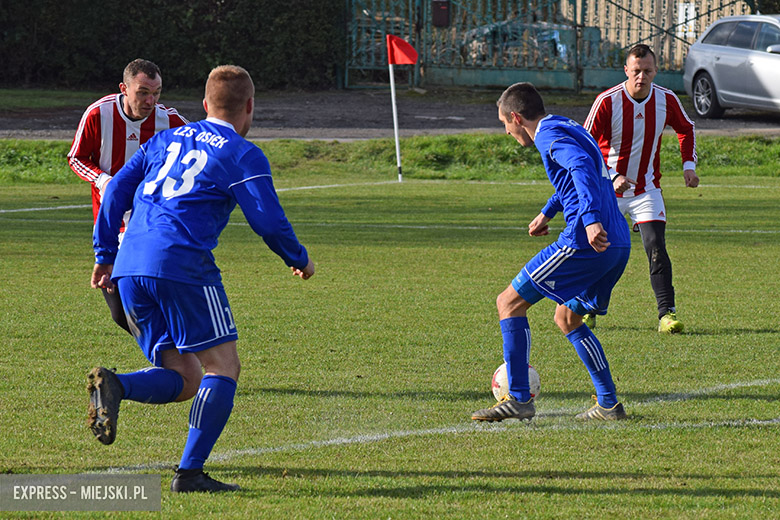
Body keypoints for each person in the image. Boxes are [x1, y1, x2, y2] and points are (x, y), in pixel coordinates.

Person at [87, 65, 315, 492]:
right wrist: (298, 257)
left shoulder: (165, 138)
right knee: (222, 367)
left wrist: (104, 254)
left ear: (205, 105)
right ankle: (189, 474)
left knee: (186, 376)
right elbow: (267, 222)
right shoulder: (241, 152)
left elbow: (116, 189)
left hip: (129, 266)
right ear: (249, 108)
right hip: (183, 266)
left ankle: (116, 385)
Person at [471, 82, 631, 423]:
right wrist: (547, 211)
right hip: (617, 242)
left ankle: (517, 398)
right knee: (567, 317)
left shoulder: (546, 136)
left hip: (585, 242)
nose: (507, 131)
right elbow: (577, 176)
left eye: (505, 124)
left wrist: (588, 220)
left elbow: (579, 168)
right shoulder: (567, 125)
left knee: (509, 302)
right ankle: (608, 404)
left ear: (516, 117)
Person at [584, 44, 698, 333]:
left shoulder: (666, 100)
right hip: (607, 192)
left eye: (647, 71)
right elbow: (584, 146)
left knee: (656, 246)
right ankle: (587, 309)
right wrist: (611, 176)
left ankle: (666, 315)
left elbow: (686, 128)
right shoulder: (607, 101)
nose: (641, 77)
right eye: (636, 71)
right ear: (626, 70)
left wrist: (688, 166)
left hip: (646, 189)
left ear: (655, 71)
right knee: (602, 251)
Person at [68, 58, 188, 334]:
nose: (150, 100)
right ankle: (174, 362)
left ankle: (176, 364)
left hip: (150, 224)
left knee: (146, 301)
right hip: (110, 223)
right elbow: (77, 158)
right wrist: (103, 180)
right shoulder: (99, 114)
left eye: (156, 93)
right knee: (122, 314)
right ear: (124, 88)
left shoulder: (170, 121)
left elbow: (200, 149)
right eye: (143, 92)